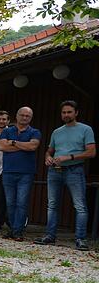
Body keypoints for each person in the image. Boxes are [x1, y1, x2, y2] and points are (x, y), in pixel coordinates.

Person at [34, 101, 95, 250]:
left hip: (75, 170)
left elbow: (92, 152)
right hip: (55, 171)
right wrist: (47, 157)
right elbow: (50, 150)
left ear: (76, 113)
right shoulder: (57, 131)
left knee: (79, 206)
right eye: (64, 112)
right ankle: (50, 236)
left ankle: (80, 239)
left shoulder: (86, 129)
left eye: (69, 112)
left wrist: (69, 157)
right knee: (52, 205)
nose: (66, 115)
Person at [0, 107, 41, 241]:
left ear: (31, 118)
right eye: (22, 115)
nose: (24, 117)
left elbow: (32, 147)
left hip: (26, 173)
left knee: (21, 203)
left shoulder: (35, 132)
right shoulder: (7, 130)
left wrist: (14, 142)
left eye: (27, 116)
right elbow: (2, 147)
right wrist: (23, 147)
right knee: (10, 203)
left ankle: (18, 231)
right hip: (8, 171)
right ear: (16, 116)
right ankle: (13, 229)